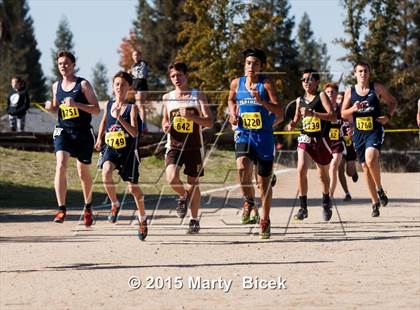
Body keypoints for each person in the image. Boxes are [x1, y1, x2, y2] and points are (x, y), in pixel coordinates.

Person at [228, 48, 282, 239]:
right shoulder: (237, 83)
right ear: (244, 64)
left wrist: (261, 102)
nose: (251, 66)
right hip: (244, 134)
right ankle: (249, 201)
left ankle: (265, 219)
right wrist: (232, 114)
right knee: (242, 166)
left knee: (263, 183)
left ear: (261, 67)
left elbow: (280, 113)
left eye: (256, 63)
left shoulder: (266, 85)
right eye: (249, 63)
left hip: (264, 139)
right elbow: (231, 99)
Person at [45, 51, 100, 226]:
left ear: (73, 65)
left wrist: (76, 104)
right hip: (63, 130)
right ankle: (61, 209)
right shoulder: (56, 86)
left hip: (83, 132)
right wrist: (51, 107)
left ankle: (88, 206)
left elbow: (97, 109)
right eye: (60, 63)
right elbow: (56, 108)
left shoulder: (83, 85)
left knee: (82, 172)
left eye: (67, 63)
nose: (63, 66)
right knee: (60, 163)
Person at [95, 71, 148, 240]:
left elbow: (134, 133)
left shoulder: (132, 108)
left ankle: (142, 219)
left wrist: (120, 119)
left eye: (123, 85)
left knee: (133, 189)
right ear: (113, 87)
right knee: (106, 172)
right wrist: (99, 138)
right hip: (111, 148)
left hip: (128, 151)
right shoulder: (109, 105)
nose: (119, 87)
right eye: (117, 84)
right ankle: (114, 204)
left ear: (129, 88)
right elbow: (104, 122)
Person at [161, 62, 213, 234]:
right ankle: (183, 196)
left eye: (180, 75)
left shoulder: (198, 95)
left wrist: (191, 116)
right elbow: (164, 121)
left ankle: (194, 219)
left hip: (194, 147)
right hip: (174, 145)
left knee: (194, 183)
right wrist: (166, 126)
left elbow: (208, 121)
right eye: (173, 76)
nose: (177, 79)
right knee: (171, 177)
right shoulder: (167, 98)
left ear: (186, 75)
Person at [341, 61, 397, 217]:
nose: (363, 74)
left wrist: (388, 116)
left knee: (371, 159)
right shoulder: (349, 91)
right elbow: (343, 114)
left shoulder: (376, 88)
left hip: (374, 130)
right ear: (355, 74)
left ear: (369, 73)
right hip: (358, 133)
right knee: (365, 168)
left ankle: (379, 189)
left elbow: (393, 102)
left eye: (365, 71)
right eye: (359, 71)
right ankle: (374, 202)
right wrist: (353, 109)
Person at [287, 69, 336, 222]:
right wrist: (292, 124)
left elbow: (333, 116)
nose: (306, 83)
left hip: (321, 140)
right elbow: (296, 119)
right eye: (304, 80)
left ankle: (326, 201)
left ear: (316, 82)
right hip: (305, 138)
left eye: (309, 80)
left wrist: (313, 114)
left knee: (322, 175)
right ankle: (303, 208)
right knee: (301, 168)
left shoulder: (321, 96)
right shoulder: (298, 100)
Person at [323, 83, 345, 200]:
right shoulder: (321, 109)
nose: (330, 94)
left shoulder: (341, 109)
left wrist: (350, 128)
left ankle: (329, 198)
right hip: (324, 144)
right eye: (328, 92)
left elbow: (350, 121)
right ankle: (326, 193)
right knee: (324, 172)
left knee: (333, 168)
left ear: (336, 94)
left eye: (332, 92)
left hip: (337, 144)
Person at [336, 91, 359, 201]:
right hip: (338, 144)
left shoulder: (350, 113)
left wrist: (352, 130)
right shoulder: (333, 112)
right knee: (339, 168)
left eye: (342, 99)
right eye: (338, 99)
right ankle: (347, 193)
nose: (340, 101)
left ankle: (354, 172)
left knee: (349, 173)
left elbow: (356, 126)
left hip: (349, 144)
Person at [130, 50, 149, 133]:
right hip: (135, 87)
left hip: (141, 86)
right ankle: (140, 124)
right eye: (134, 55)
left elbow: (142, 75)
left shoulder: (142, 63)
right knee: (137, 106)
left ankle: (143, 126)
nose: (136, 57)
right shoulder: (133, 65)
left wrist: (132, 73)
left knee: (141, 105)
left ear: (140, 56)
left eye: (137, 55)